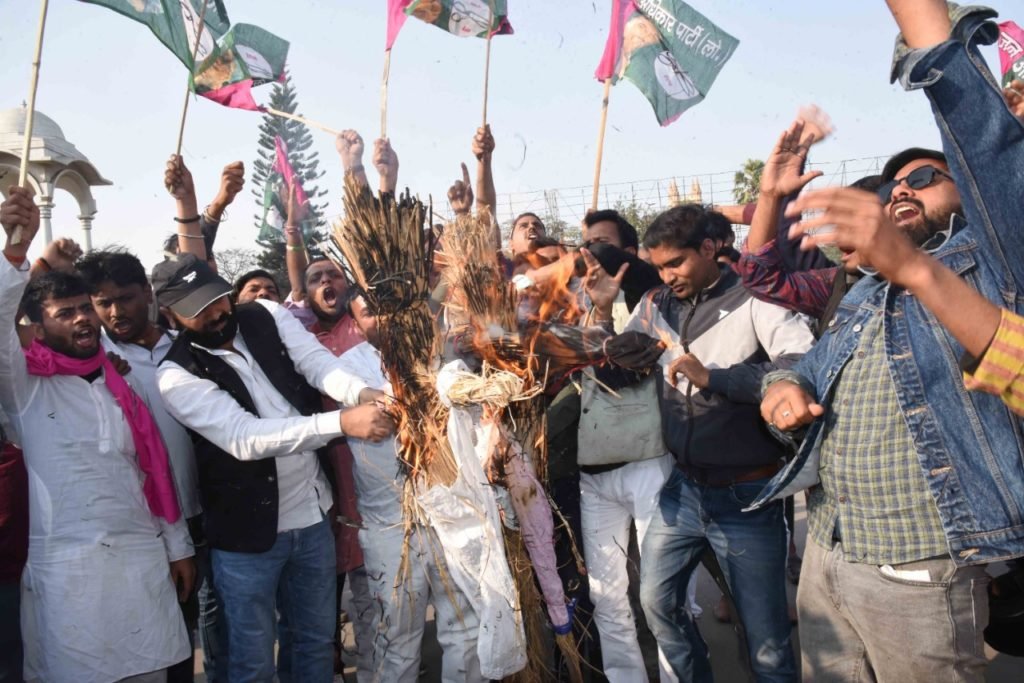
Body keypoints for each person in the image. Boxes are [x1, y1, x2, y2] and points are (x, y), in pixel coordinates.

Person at [755, 2, 1024, 679]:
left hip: (917, 567)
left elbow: (990, 152)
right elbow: (802, 349)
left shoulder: (991, 263)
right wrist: (783, 387)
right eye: (894, 183)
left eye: (926, 178)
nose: (903, 189)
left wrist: (928, 32)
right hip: (829, 547)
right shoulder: (868, 288)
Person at [585, 203, 815, 682]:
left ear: (709, 248)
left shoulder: (756, 296)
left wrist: (714, 377)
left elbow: (802, 366)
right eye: (660, 266)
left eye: (676, 263)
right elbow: (618, 372)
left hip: (749, 495)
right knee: (657, 603)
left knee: (767, 643)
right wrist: (603, 316)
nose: (667, 276)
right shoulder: (656, 304)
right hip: (683, 489)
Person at [153, 253, 393, 682]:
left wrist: (361, 393)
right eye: (198, 309)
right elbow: (246, 438)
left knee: (314, 643)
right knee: (253, 660)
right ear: (171, 315)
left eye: (217, 299)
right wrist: (341, 422)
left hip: (313, 518)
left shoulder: (264, 314)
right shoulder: (175, 375)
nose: (216, 313)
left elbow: (317, 364)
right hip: (247, 539)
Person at [0, 187, 195, 682]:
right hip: (69, 575)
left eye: (85, 308)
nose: (84, 318)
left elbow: (151, 474)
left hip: (140, 561)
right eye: (65, 313)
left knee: (151, 669)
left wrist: (177, 547)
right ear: (37, 330)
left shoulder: (121, 381)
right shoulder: (25, 388)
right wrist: (16, 253)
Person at [77, 249, 229, 682]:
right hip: (152, 524)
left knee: (220, 620)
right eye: (102, 303)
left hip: (211, 510)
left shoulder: (188, 345)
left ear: (147, 293)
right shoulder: (95, 365)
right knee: (168, 632)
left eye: (124, 298)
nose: (115, 312)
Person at [338, 292, 484, 682]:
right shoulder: (348, 368)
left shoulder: (440, 356)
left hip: (449, 515)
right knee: (396, 639)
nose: (383, 318)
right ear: (356, 325)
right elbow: (383, 415)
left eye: (386, 307)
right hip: (390, 526)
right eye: (369, 313)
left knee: (466, 628)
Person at [576, 210, 681, 682]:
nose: (591, 256)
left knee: (664, 593)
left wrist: (605, 312)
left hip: (647, 463)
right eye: (586, 245)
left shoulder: (655, 299)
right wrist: (595, 309)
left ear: (630, 253)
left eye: (602, 245)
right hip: (594, 470)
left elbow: (628, 363)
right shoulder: (576, 302)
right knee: (607, 595)